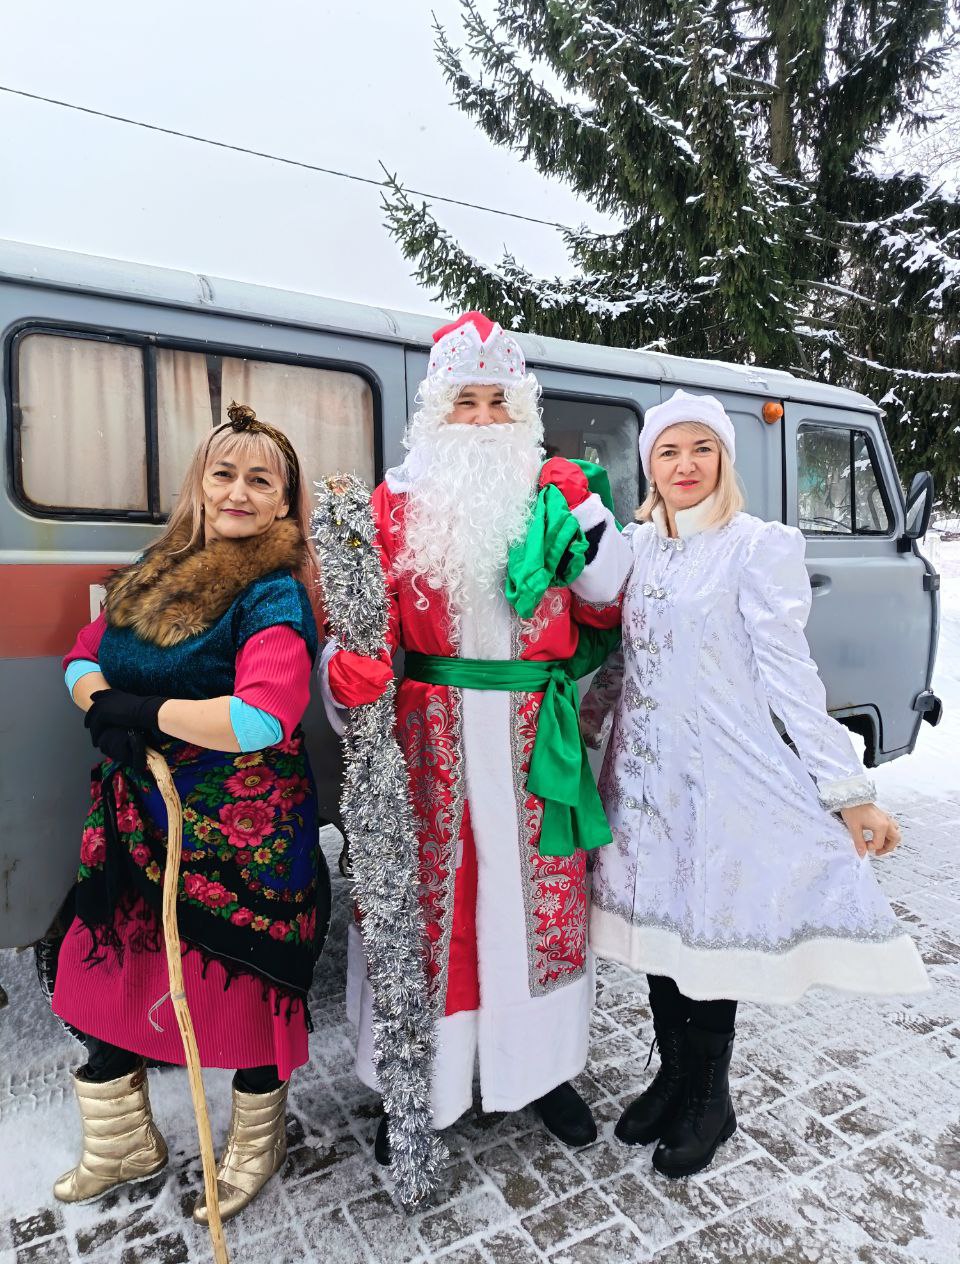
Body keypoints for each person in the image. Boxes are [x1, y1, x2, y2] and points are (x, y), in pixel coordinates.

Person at [581, 389, 928, 1179]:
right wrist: (586, 730)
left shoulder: (753, 547)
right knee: (662, 931)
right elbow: (624, 660)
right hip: (645, 780)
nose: (685, 465)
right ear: (650, 466)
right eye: (669, 452)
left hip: (723, 778)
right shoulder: (638, 547)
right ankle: (672, 1076)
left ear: (724, 459)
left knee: (712, 931)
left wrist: (848, 791)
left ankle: (710, 1095)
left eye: (701, 449)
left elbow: (789, 676)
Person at [321, 311, 633, 1156]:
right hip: (431, 740)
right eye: (468, 401)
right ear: (438, 409)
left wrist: (587, 512)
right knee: (430, 913)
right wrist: (345, 674)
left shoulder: (556, 494)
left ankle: (541, 1071)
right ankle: (418, 1086)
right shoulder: (392, 503)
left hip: (536, 740)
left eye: (501, 402)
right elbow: (356, 632)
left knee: (542, 908)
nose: (486, 419)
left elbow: (609, 602)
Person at [52, 403, 331, 1223]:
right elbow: (81, 653)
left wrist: (140, 712)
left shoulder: (274, 594)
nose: (238, 492)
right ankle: (121, 1144)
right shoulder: (155, 567)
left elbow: (262, 717)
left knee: (243, 988)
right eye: (224, 473)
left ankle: (255, 1144)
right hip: (137, 817)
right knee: (111, 973)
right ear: (200, 484)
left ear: (284, 501)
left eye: (260, 480)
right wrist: (100, 702)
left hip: (242, 836)